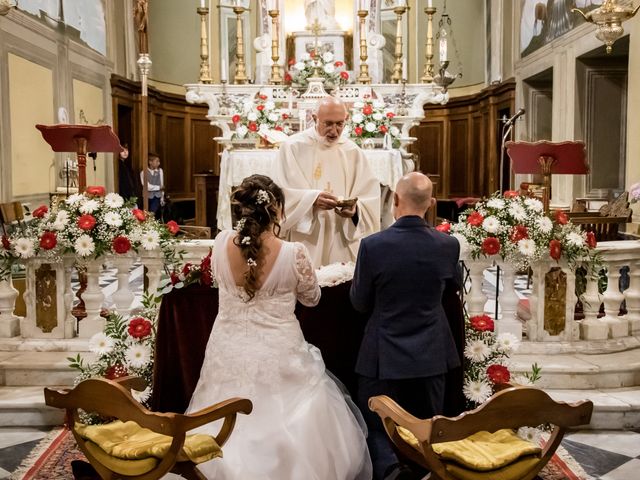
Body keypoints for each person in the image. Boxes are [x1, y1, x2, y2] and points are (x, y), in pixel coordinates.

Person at [186, 174, 372, 480]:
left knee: (221, 409)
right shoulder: (293, 252)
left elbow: (223, 283)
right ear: (277, 211)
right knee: (286, 413)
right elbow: (312, 299)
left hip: (227, 346)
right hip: (280, 351)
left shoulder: (220, 244)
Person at [350, 172, 461, 480]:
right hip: (432, 353)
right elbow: (453, 287)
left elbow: (359, 302)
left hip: (384, 354)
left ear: (395, 201)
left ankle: (391, 471)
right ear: (432, 204)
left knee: (374, 422)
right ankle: (428, 471)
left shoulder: (373, 246)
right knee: (431, 420)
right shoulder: (447, 245)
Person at [274, 97, 380, 268]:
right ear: (314, 119)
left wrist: (355, 210)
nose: (334, 131)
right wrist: (311, 200)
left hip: (340, 233)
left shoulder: (352, 151)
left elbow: (369, 197)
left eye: (340, 124)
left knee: (339, 286)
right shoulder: (293, 147)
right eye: (328, 124)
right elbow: (281, 191)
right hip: (306, 236)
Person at [140, 152, 164, 219]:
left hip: (157, 197)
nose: (159, 163)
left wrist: (162, 197)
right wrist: (158, 187)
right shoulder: (143, 172)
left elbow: (162, 184)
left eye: (159, 161)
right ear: (150, 162)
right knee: (146, 213)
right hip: (147, 197)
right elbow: (147, 186)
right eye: (157, 161)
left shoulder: (160, 171)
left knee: (152, 213)